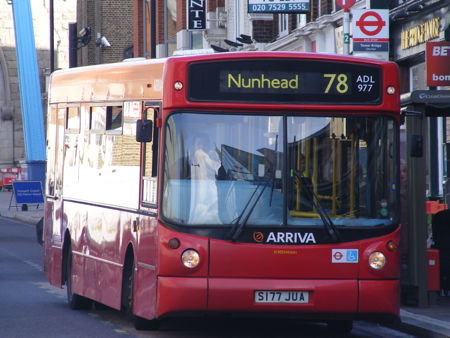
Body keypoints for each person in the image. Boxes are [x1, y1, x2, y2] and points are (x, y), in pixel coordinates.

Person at [189, 133, 221, 224]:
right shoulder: (185, 163)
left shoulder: (215, 163)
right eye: (199, 144)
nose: (202, 147)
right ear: (193, 146)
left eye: (205, 145)